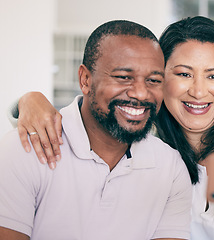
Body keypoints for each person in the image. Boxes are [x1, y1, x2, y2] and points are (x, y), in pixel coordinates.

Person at [8, 16, 214, 239]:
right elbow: (93, 116)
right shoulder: (150, 144)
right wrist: (28, 100)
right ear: (159, 79)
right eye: (183, 73)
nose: (198, 90)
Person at [0, 20, 193, 240]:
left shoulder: (171, 167)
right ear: (85, 79)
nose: (141, 93)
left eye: (153, 80)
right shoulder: (23, 149)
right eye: (123, 77)